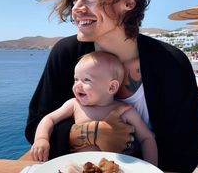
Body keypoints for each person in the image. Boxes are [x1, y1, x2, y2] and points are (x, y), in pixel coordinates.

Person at [25, 0, 198, 172]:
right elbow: (35, 127)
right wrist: (93, 133)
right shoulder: (66, 54)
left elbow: (185, 153)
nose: (76, 9)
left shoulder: (171, 63)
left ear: (128, 2)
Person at [30, 51, 158, 166]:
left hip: (116, 168)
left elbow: (147, 138)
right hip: (79, 167)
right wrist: (41, 139)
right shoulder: (74, 104)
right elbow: (49, 119)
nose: (77, 85)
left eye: (86, 80)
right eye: (76, 79)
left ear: (112, 87)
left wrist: (150, 167)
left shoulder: (125, 111)